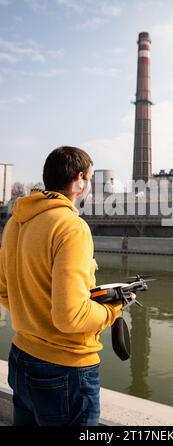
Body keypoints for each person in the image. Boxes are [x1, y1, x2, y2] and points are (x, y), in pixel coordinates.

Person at [0, 146, 122, 426]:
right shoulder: (71, 227)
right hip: (65, 369)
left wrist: (35, 316)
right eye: (89, 179)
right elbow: (71, 317)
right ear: (79, 179)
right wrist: (113, 309)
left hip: (21, 357)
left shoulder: (15, 223)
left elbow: (5, 291)